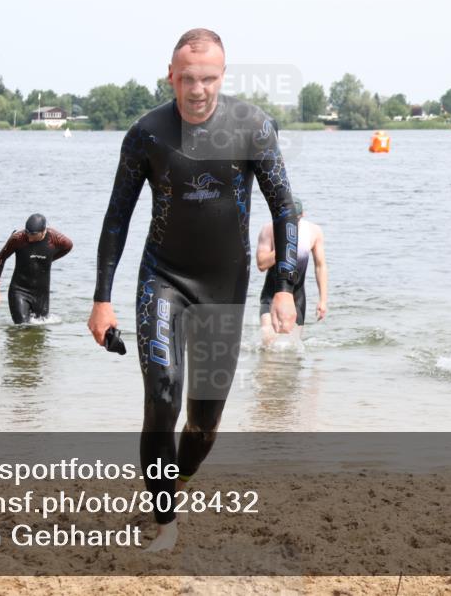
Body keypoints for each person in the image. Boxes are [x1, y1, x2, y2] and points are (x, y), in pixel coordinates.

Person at [86, 28, 299, 552]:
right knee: (162, 395)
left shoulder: (252, 127)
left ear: (222, 76)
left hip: (224, 287)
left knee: (204, 424)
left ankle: (175, 481)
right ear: (171, 76)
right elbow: (116, 218)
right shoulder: (147, 134)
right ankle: (165, 522)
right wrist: (101, 299)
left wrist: (283, 285)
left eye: (207, 78)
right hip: (163, 277)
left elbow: (285, 210)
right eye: (187, 78)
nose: (197, 89)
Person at [257, 197, 327, 346]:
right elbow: (261, 264)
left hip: (297, 297)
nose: (293, 223)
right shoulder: (269, 229)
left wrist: (322, 300)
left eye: (296, 219)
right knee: (267, 342)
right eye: (288, 219)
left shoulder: (313, 231)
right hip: (271, 294)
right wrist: (285, 247)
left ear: (303, 215)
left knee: (292, 348)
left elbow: (320, 266)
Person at [0, 213, 73, 324]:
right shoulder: (18, 238)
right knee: (22, 327)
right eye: (27, 233)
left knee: (40, 328)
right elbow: (1, 258)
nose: (29, 238)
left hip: (42, 294)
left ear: (43, 231)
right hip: (19, 290)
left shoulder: (55, 239)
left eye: (33, 235)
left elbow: (68, 247)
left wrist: (50, 259)